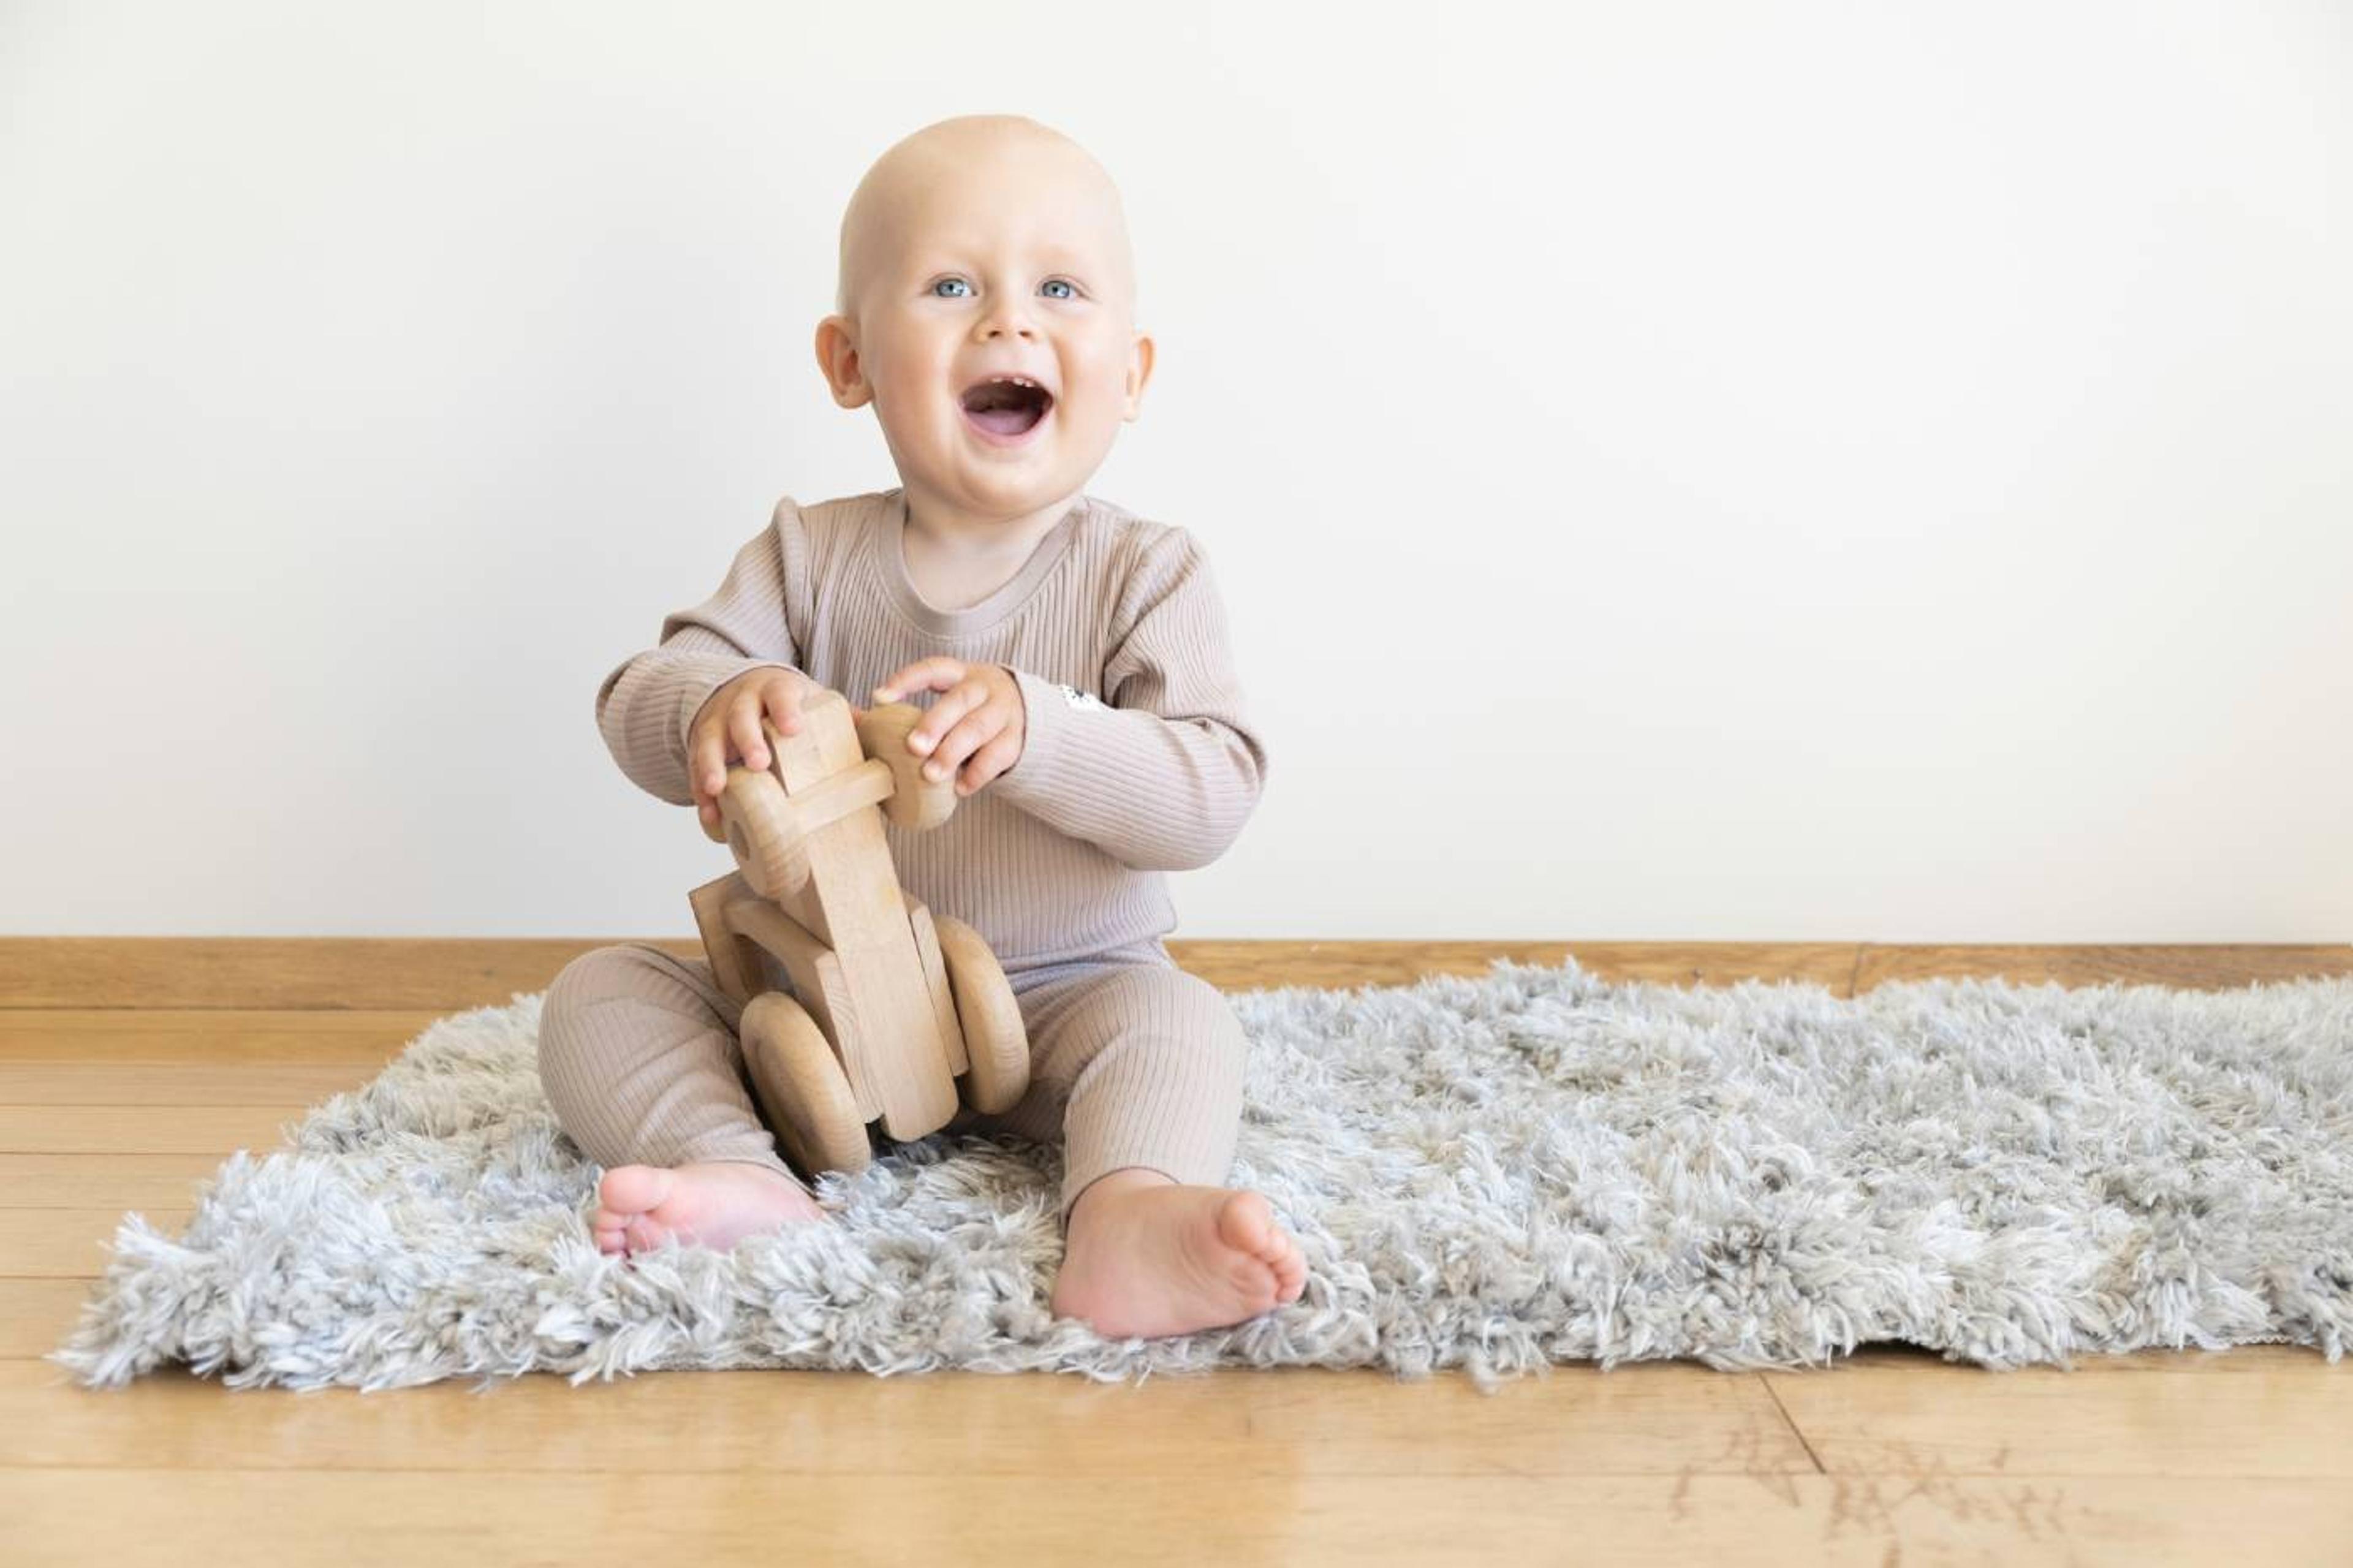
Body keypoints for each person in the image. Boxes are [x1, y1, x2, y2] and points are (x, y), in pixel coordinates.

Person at [537, 114, 1307, 1339]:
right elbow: (638, 697)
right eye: (952, 284)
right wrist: (717, 703)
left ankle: (1126, 1216)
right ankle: (737, 1171)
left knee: (1182, 1021)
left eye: (1060, 286)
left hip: (1062, 1001)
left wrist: (1044, 734)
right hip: (822, 1014)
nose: (1010, 320)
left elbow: (1211, 792)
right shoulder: (806, 555)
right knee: (598, 995)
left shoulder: (1144, 572)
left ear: (1134, 372)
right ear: (849, 362)